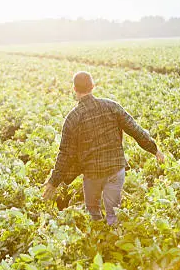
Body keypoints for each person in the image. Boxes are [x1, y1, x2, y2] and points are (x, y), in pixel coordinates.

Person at [42, 71, 165, 225]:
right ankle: (114, 238)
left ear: (74, 89)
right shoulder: (111, 106)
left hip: (93, 174)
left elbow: (65, 154)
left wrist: (53, 182)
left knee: (93, 211)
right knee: (114, 213)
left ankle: (100, 241)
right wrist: (154, 149)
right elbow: (135, 130)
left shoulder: (73, 118)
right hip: (116, 169)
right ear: (93, 86)